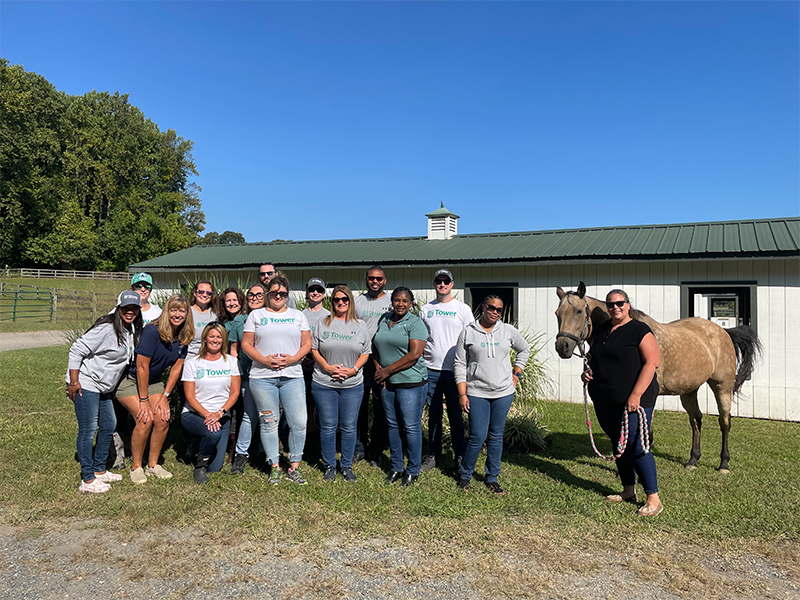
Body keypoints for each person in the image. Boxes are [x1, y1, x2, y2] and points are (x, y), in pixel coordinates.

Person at [581, 289, 663, 517]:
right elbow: (597, 360)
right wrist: (588, 374)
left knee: (637, 445)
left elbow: (651, 363)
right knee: (619, 443)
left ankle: (653, 499)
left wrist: (635, 395)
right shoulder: (603, 331)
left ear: (628, 305)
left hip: (635, 401)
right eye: (611, 304)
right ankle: (628, 490)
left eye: (620, 303)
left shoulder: (639, 330)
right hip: (607, 399)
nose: (615, 307)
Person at [66, 291, 143, 493]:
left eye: (133, 308)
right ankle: (88, 479)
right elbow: (76, 349)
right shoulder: (107, 329)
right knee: (88, 429)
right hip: (87, 382)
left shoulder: (131, 329)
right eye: (126, 308)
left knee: (109, 424)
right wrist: (73, 381)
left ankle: (100, 470)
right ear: (118, 309)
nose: (130, 312)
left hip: (104, 387)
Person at [454, 295, 530, 495]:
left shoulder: (507, 331)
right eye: (491, 307)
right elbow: (460, 364)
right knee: (477, 435)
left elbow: (524, 350)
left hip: (503, 392)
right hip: (477, 391)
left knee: (496, 436)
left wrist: (517, 374)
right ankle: (465, 476)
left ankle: (492, 478)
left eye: (499, 309)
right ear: (483, 307)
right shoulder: (468, 332)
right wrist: (462, 394)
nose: (495, 312)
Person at [116, 294, 193, 484]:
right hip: (130, 380)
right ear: (167, 311)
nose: (177, 314)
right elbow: (142, 367)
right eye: (173, 310)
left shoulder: (184, 335)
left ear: (186, 314)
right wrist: (144, 401)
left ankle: (153, 464)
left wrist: (165, 395)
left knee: (163, 418)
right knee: (145, 419)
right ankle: (136, 466)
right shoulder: (153, 331)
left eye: (181, 311)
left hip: (155, 382)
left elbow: (176, 368)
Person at [242, 275, 311, 485]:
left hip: (292, 376)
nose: (278, 296)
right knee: (269, 422)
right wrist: (263, 360)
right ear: (267, 294)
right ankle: (274, 466)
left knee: (299, 422)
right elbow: (246, 344)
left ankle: (295, 466)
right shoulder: (256, 315)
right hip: (263, 377)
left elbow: (306, 344)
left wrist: (292, 359)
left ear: (287, 295)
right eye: (274, 293)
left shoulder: (298, 316)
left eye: (282, 293)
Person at [311, 285, 371, 482]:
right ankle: (329, 465)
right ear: (332, 302)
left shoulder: (360, 325)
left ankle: (346, 465)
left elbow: (366, 352)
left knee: (348, 426)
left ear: (350, 301)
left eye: (345, 299)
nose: (341, 302)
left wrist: (353, 369)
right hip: (324, 382)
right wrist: (327, 367)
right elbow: (314, 349)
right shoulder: (322, 323)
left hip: (352, 384)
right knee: (328, 426)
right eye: (337, 299)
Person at [372, 286, 429, 486]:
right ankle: (396, 467)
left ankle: (413, 469)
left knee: (410, 426)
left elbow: (414, 354)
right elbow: (376, 345)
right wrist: (379, 369)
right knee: (392, 425)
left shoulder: (415, 323)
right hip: (387, 383)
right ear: (392, 302)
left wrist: (387, 371)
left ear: (411, 303)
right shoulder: (384, 319)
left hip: (411, 382)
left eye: (405, 301)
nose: (401, 304)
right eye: (397, 300)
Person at [419, 268, 473, 473]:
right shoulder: (425, 309)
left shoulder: (462, 308)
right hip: (430, 370)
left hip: (454, 372)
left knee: (455, 416)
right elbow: (420, 337)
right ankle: (433, 455)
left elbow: (470, 338)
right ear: (434, 284)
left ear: (452, 284)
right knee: (433, 416)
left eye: (446, 281)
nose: (442, 285)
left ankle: (460, 455)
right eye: (438, 281)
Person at [181, 323, 241, 483]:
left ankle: (201, 448)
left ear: (224, 339)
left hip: (222, 415)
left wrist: (219, 413)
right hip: (194, 414)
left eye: (219, 337)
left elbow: (235, 393)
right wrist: (208, 415)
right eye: (212, 336)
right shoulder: (193, 362)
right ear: (205, 339)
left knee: (215, 467)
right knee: (213, 433)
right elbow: (189, 396)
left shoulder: (231, 361)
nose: (215, 340)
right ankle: (200, 466)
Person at [353, 265, 393, 464]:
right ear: (366, 279)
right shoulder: (358, 301)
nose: (374, 281)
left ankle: (377, 448)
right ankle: (359, 447)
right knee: (359, 407)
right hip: (360, 359)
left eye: (379, 278)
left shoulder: (392, 301)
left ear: (384, 280)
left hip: (382, 361)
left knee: (380, 407)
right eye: (371, 278)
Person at [227, 284, 266, 474]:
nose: (255, 297)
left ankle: (265, 452)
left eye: (259, 294)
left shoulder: (272, 319)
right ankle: (241, 455)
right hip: (247, 375)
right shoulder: (239, 321)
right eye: (251, 294)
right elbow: (234, 350)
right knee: (249, 415)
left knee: (268, 416)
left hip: (269, 375)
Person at [301, 277, 330, 452]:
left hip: (322, 365)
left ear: (324, 294)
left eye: (319, 290)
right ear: (307, 293)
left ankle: (324, 437)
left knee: (323, 405)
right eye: (312, 290)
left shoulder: (328, 315)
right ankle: (309, 439)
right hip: (303, 364)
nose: (315, 293)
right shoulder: (300, 315)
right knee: (307, 404)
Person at [187, 280, 221, 358]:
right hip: (191, 357)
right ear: (195, 293)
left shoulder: (216, 314)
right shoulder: (187, 312)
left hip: (212, 358)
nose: (205, 295)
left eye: (209, 293)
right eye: (201, 292)